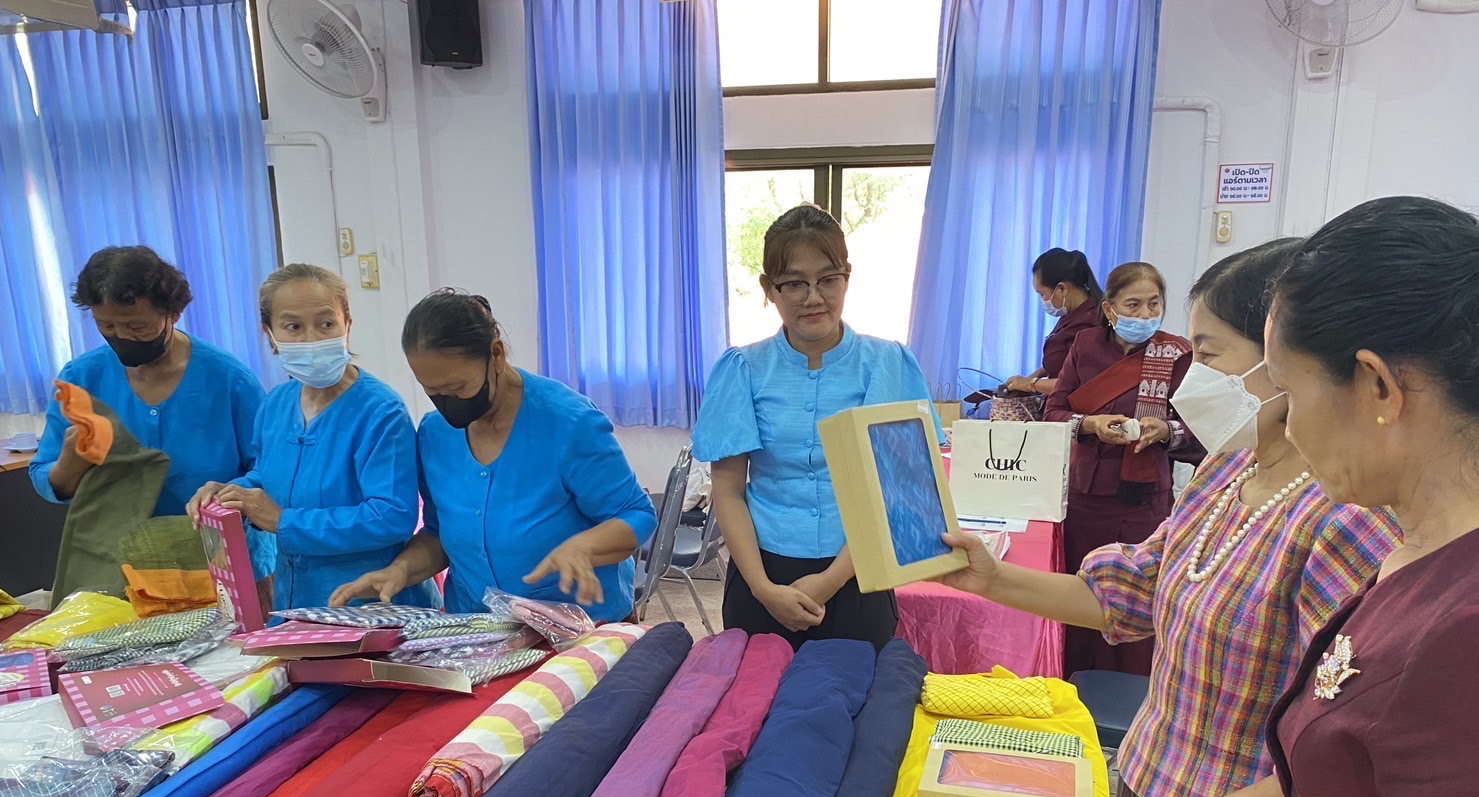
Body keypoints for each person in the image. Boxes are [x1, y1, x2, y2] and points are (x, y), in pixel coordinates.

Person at [936, 239, 1398, 797]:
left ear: (1285, 359)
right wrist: (992, 579)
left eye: (1210, 354)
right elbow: (1135, 590)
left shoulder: (1341, 517)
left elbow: (1344, 751)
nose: (1190, 374)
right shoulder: (1232, 466)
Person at [1108, 196, 1479, 797]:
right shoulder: (1412, 548)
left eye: (1286, 386)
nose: (1279, 419)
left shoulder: (1461, 625)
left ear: (1379, 388)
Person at [692, 204, 944, 652]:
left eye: (829, 279)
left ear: (848, 277)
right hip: (761, 575)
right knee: (755, 708)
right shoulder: (742, 369)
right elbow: (728, 489)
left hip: (856, 575)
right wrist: (765, 589)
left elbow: (898, 491)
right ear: (770, 289)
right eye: (794, 283)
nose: (814, 297)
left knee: (855, 708)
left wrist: (829, 582)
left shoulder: (887, 363)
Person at [329, 290, 656, 622]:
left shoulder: (568, 424)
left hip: (579, 626)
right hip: (478, 627)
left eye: (459, 388)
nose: (447, 402)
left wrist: (586, 547)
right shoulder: (434, 434)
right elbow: (438, 534)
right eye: (433, 392)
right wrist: (400, 571)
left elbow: (636, 514)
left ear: (496, 355)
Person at [186, 264, 435, 611]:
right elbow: (271, 475)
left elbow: (392, 515)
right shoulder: (276, 404)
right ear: (269, 333)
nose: (312, 339)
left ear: (347, 323)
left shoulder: (379, 411)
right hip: (295, 601)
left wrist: (284, 522)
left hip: (369, 606)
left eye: (326, 324)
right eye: (293, 327)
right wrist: (233, 493)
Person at [30, 246, 275, 588]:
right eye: (107, 325)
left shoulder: (228, 379)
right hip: (123, 568)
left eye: (138, 327)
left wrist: (232, 491)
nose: (123, 337)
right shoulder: (82, 379)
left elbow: (272, 468)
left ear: (172, 313)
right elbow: (46, 476)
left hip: (222, 561)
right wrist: (70, 463)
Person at [1045, 260, 1203, 675]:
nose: (1145, 315)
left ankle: (1129, 695)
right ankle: (1074, 683)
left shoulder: (1177, 354)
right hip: (1086, 498)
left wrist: (1166, 431)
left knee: (1136, 600)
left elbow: (1201, 431)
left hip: (1144, 503)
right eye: (1133, 305)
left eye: (1154, 304)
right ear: (1111, 308)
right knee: (1082, 594)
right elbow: (1053, 412)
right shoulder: (1085, 347)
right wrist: (1091, 425)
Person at [1002, 248, 1104, 396]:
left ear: (1062, 289)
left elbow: (1079, 384)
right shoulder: (1071, 315)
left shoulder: (1090, 323)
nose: (1043, 300)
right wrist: (1032, 377)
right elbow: (1062, 360)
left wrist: (1031, 384)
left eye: (1042, 294)